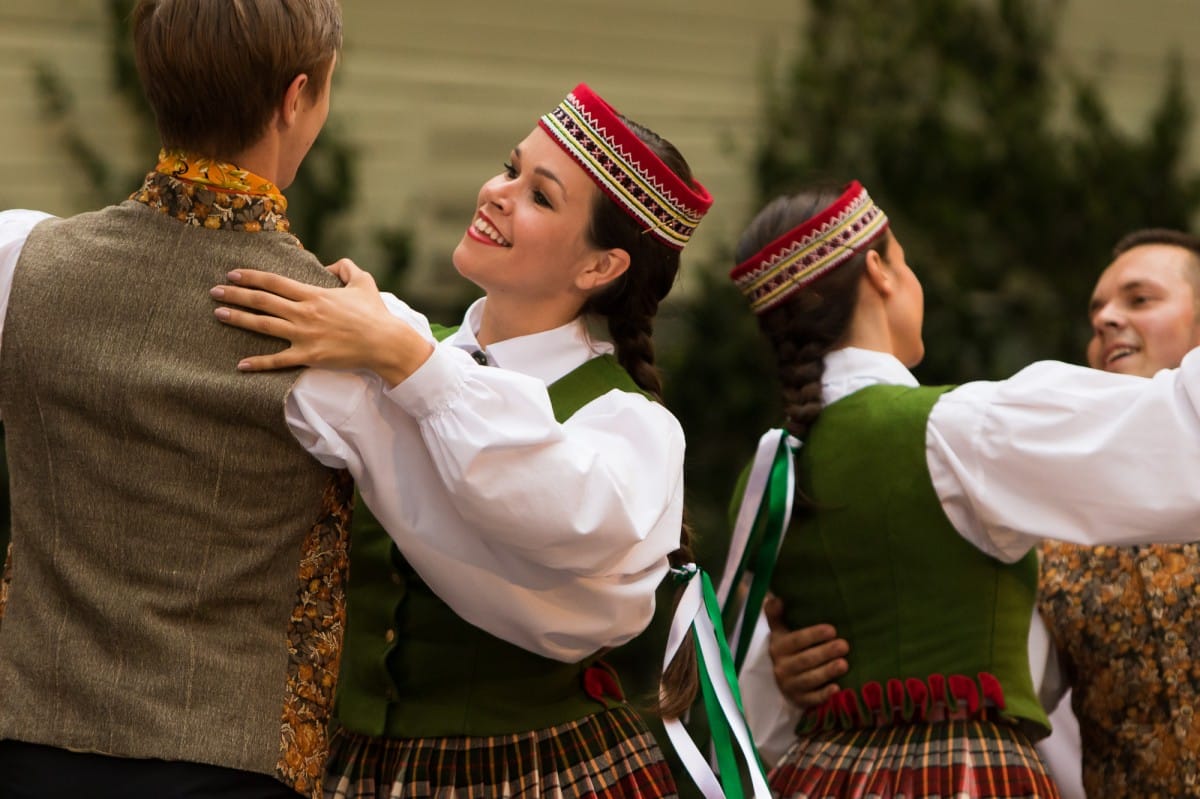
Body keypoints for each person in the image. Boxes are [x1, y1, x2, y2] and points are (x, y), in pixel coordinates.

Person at [209, 83, 724, 798]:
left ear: (598, 267)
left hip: (541, 774)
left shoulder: (630, 425)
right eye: (510, 168)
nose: (497, 194)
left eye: (539, 196)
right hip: (357, 771)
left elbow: (555, 505)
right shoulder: (389, 345)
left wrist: (408, 362)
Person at [721, 182, 1200, 798]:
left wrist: (780, 680)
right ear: (881, 272)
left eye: (1140, 298)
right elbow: (1181, 435)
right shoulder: (955, 431)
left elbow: (755, 723)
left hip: (820, 777)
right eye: (905, 261)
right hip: (956, 772)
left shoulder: (767, 477)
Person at [0, 2, 349, 798]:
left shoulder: (23, 261)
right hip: (224, 761)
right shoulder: (336, 328)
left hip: (25, 747)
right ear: (295, 98)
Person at [1036, 227, 1200, 796]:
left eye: (1140, 299)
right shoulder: (1055, 520)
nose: (1106, 318)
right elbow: (1001, 682)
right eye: (1096, 312)